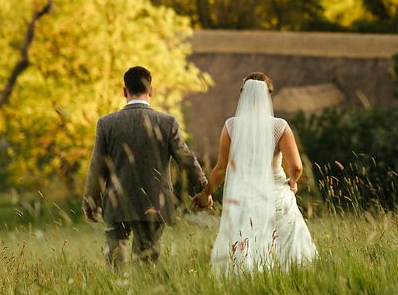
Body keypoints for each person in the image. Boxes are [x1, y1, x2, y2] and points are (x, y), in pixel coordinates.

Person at [82, 65, 212, 266]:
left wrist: (90, 201)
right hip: (154, 201)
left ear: (125, 91)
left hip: (117, 202)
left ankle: (118, 293)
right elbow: (186, 159)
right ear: (151, 91)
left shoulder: (106, 124)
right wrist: (204, 191)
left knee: (115, 262)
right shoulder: (167, 122)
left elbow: (97, 166)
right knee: (147, 264)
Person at [196, 72, 318, 272]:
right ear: (268, 95)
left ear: (242, 96)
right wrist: (293, 182)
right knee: (288, 251)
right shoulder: (279, 126)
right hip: (277, 196)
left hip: (244, 198)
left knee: (245, 250)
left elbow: (220, 169)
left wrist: (205, 194)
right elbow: (296, 166)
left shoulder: (231, 126)